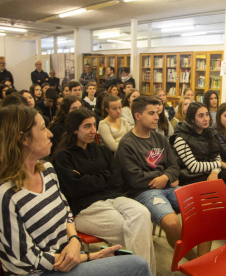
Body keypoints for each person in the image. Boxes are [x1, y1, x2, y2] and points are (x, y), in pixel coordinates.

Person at [0, 105, 151, 276]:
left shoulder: (47, 170)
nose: (50, 134)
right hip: (45, 270)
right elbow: (22, 260)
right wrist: (87, 257)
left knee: (142, 216)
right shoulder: (6, 195)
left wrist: (74, 240)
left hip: (71, 253)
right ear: (23, 139)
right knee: (137, 263)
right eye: (43, 128)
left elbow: (65, 210)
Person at [53, 108, 156, 275]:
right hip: (85, 208)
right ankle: (145, 272)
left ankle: (141, 272)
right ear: (74, 129)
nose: (94, 131)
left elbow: (117, 179)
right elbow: (75, 188)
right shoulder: (63, 156)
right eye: (87, 127)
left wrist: (88, 177)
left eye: (94, 125)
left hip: (114, 198)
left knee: (143, 214)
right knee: (133, 230)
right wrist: (104, 175)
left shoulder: (101, 150)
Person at [115, 96, 201, 259]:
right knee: (172, 223)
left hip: (168, 187)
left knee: (203, 211)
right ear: (138, 116)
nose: (157, 117)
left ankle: (203, 261)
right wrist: (165, 177)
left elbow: (175, 165)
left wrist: (165, 178)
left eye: (157, 113)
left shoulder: (159, 138)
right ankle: (194, 262)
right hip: (144, 192)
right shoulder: (127, 144)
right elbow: (136, 179)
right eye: (151, 113)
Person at [170, 102, 226, 209]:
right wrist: (219, 164)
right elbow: (193, 167)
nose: (206, 119)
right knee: (218, 186)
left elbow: (216, 156)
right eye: (201, 116)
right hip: (190, 176)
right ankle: (219, 220)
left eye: (207, 114)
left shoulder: (210, 133)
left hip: (208, 171)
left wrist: (215, 172)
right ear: (192, 119)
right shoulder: (180, 138)